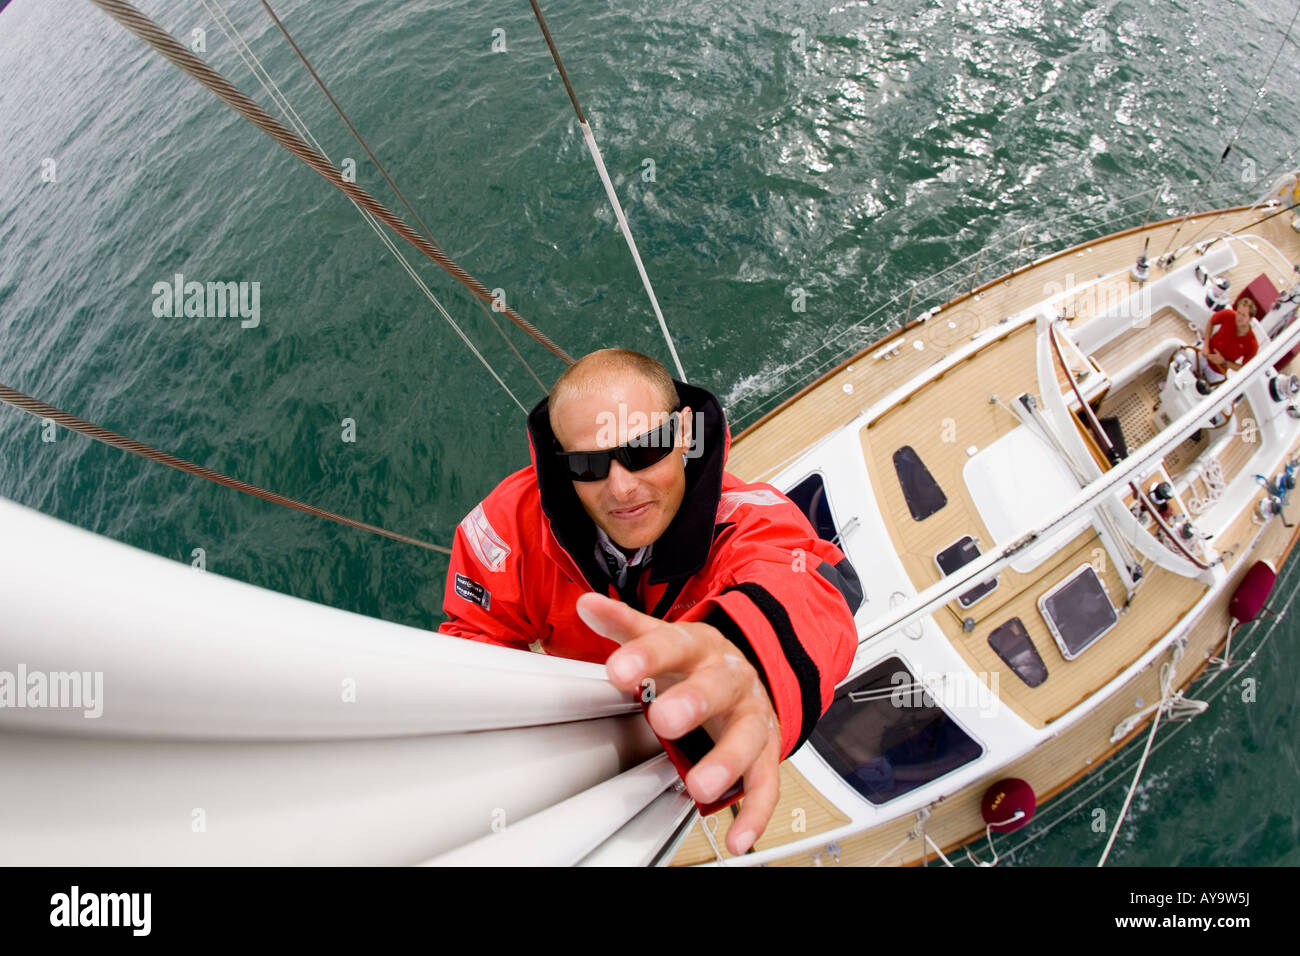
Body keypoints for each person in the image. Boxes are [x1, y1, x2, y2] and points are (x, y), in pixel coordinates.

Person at [439, 348, 863, 855]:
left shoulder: (748, 520)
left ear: (683, 433)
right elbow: (474, 638)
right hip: (593, 742)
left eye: (643, 450)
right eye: (588, 464)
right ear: (561, 461)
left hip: (689, 735)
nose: (621, 487)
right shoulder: (507, 527)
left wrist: (747, 660)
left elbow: (815, 585)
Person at [1200, 297, 1258, 384]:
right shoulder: (1228, 314)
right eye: (1238, 313)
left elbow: (1244, 368)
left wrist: (1223, 362)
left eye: (1243, 315)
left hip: (1218, 371)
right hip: (1205, 355)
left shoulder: (1252, 344)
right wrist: (1205, 345)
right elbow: (1211, 321)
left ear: (1250, 319)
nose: (1239, 317)